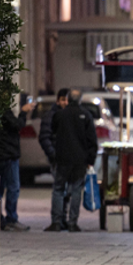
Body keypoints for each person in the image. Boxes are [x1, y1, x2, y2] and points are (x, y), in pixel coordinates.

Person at [44, 89, 98, 232]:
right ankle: (72, 223)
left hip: (62, 158)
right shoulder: (86, 115)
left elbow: (53, 131)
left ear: (68, 99)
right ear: (80, 100)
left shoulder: (59, 115)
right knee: (76, 190)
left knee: (58, 189)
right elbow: (92, 140)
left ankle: (56, 222)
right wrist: (91, 159)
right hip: (80, 159)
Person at [0, 97, 35, 231]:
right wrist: (23, 112)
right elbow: (17, 125)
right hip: (8, 154)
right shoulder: (3, 112)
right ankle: (11, 218)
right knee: (13, 187)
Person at [38, 88, 70, 229]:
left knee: (65, 190)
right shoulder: (51, 116)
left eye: (67, 100)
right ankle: (57, 221)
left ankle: (61, 220)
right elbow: (44, 137)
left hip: (67, 158)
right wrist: (53, 155)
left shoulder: (67, 115)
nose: (65, 103)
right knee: (60, 189)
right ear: (57, 101)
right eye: (63, 100)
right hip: (58, 159)